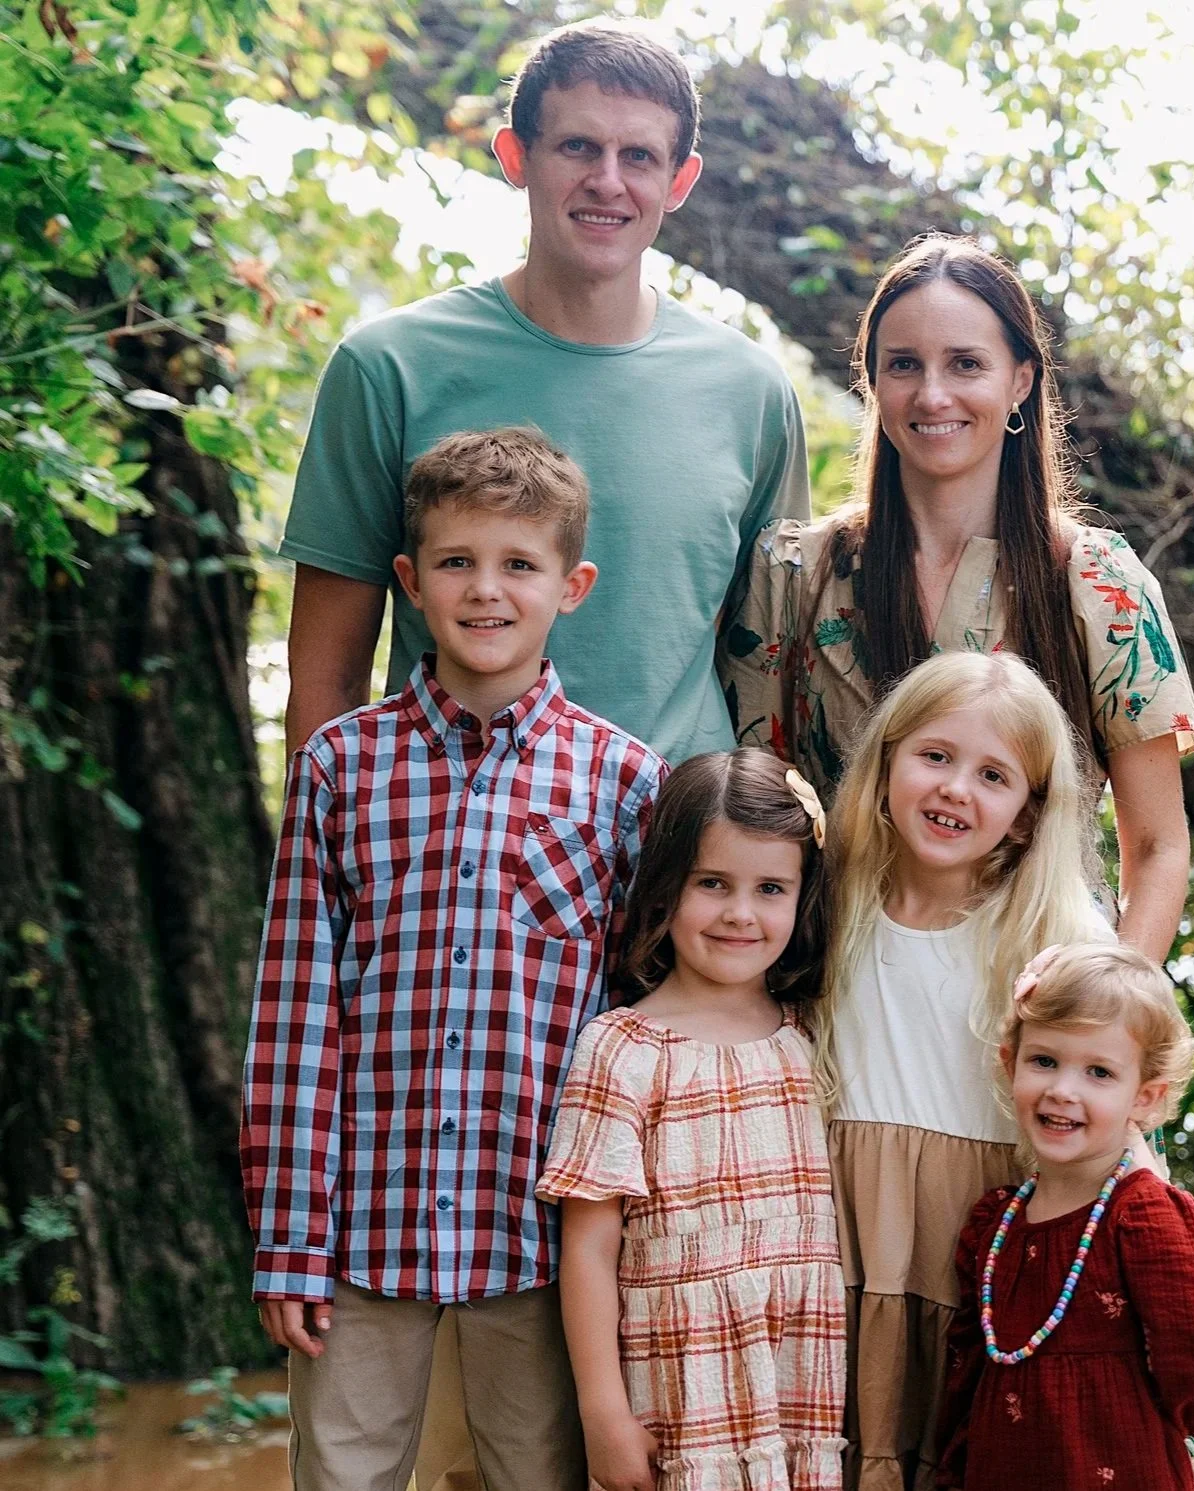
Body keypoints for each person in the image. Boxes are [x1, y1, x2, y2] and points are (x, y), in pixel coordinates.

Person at [240, 428, 667, 1491]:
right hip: (360, 1235)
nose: (488, 591)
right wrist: (290, 1237)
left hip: (541, 1244)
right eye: (457, 562)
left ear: (572, 585)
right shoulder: (341, 768)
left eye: (519, 565)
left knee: (539, 1475)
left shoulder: (624, 784)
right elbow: (295, 1017)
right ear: (409, 582)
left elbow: (639, 1034)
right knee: (342, 1476)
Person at [281, 17, 809, 764]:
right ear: (515, 155)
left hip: (677, 855)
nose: (607, 181)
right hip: (450, 846)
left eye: (639, 156)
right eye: (577, 147)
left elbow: (769, 663)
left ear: (680, 180)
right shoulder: (388, 367)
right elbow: (324, 680)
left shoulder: (750, 392)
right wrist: (320, 865)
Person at [720, 234, 1194, 963]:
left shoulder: (1095, 579)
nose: (932, 394)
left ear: (1019, 381)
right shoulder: (793, 573)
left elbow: (1160, 846)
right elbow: (757, 816)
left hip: (1041, 1005)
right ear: (871, 382)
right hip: (845, 990)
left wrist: (1113, 1014)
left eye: (965, 364)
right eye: (903, 365)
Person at [814, 649, 1119, 1491]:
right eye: (935, 756)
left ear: (1025, 814)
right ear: (884, 765)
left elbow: (1117, 1122)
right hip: (840, 1236)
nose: (955, 789)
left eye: (993, 775)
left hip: (983, 1253)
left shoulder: (1058, 938)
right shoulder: (822, 903)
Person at [538, 749, 846, 1491]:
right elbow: (588, 1245)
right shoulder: (623, 1047)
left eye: (770, 887)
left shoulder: (814, 1035)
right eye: (713, 883)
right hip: (682, 1389)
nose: (742, 912)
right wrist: (601, 1411)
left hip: (802, 1382)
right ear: (666, 888)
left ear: (801, 897)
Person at [938, 942, 1194, 1491]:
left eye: (1099, 1072)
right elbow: (965, 1388)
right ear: (1009, 1062)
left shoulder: (1141, 1215)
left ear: (1144, 1098)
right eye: (1044, 1060)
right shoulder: (995, 1226)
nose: (1063, 1090)